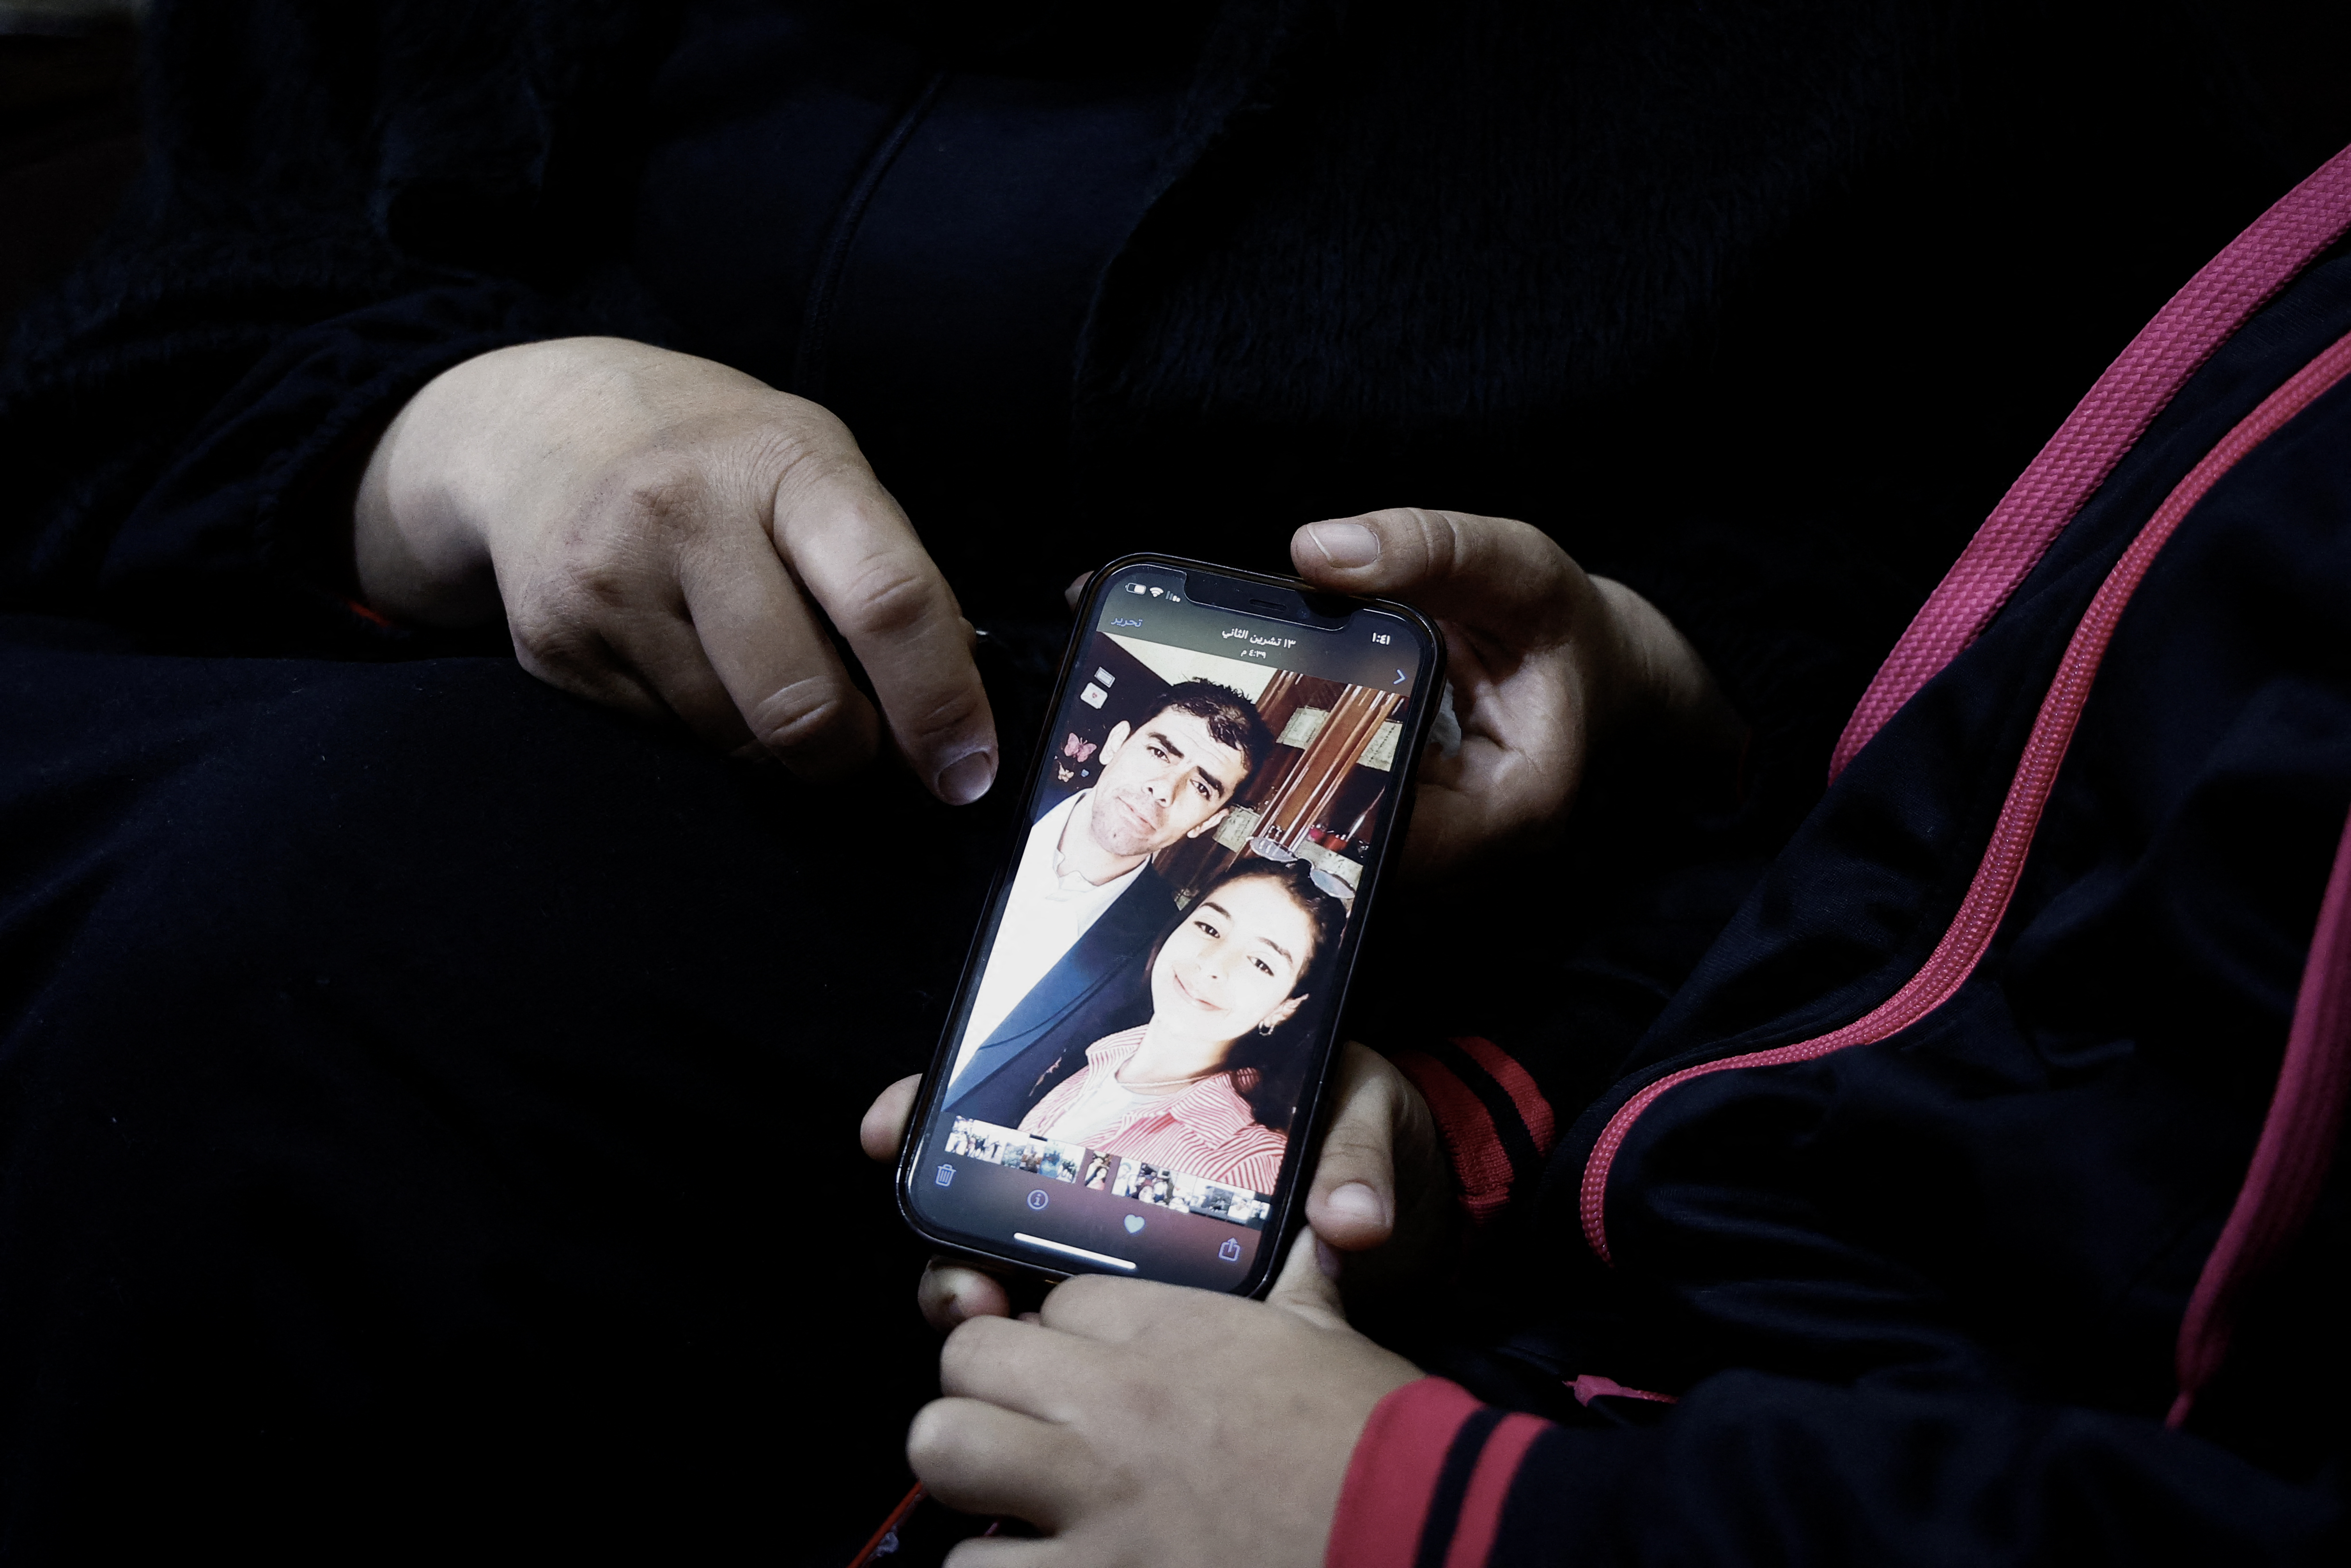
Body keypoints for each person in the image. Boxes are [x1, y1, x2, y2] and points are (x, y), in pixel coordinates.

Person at [0, 0, 2304, 1560]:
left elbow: (2037, 622)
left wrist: (1674, 688)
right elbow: (140, 339)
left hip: (1304, 969)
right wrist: (448, 431)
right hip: (288, 724)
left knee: (317, 937)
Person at [870, 146, 2351, 1564]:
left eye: (1260, 946)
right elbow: (1923, 881)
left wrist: (1445, 1511)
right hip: (1542, 1285)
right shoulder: (2268, 266)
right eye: (1220, 927)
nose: (1177, 810)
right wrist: (1464, 1144)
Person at [943, 680, 1275, 1116]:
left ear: (1209, 822)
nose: (1164, 789)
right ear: (1116, 743)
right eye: (1160, 753)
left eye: (1201, 788)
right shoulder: (976, 803)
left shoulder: (1166, 954)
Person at [1018, 857, 1347, 1193]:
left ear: (1285, 1007)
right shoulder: (1105, 1053)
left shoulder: (1246, 1162)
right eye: (1209, 928)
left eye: (1261, 963)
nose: (1211, 964)